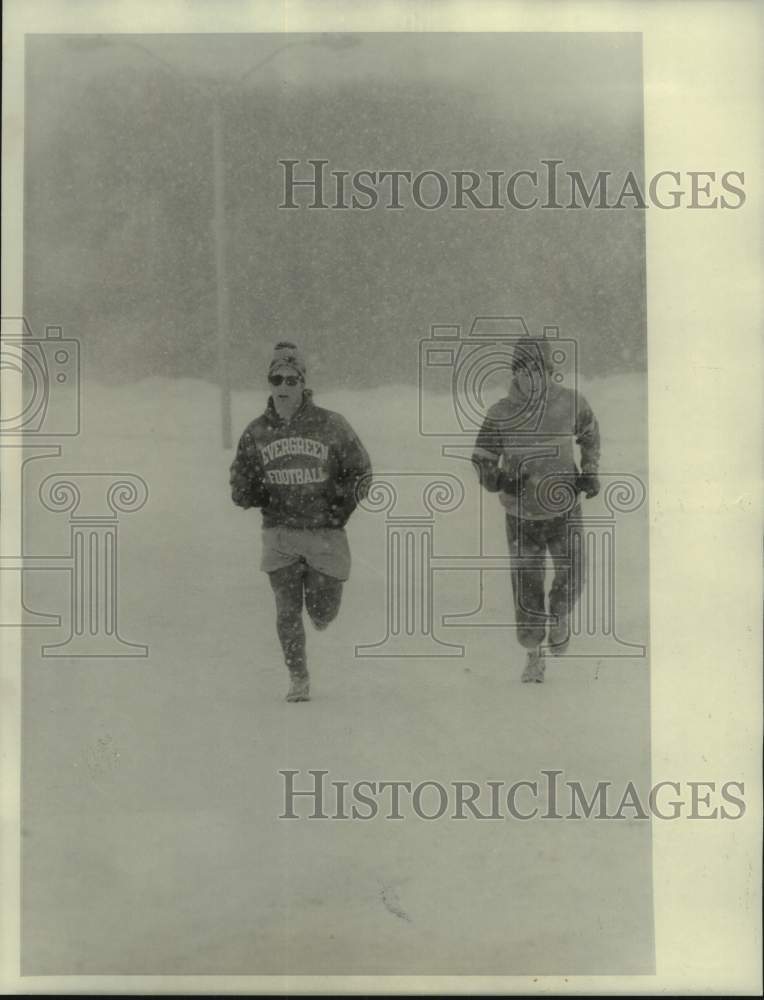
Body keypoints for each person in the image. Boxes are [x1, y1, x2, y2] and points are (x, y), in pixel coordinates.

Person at [229, 341, 372, 702]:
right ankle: (298, 677)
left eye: (291, 380)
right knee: (286, 611)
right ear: (269, 382)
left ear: (303, 383)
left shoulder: (331, 425)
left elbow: (361, 471)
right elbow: (240, 477)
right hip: (280, 533)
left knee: (324, 610)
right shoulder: (256, 431)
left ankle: (322, 611)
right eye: (276, 378)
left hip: (324, 533)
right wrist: (248, 492)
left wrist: (342, 508)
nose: (283, 386)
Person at [471, 337, 601, 683]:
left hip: (565, 510)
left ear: (549, 371)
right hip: (522, 516)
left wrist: (589, 471)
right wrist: (499, 480)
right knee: (527, 587)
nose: (533, 378)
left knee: (574, 573)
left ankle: (559, 617)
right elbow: (481, 458)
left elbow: (589, 432)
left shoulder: (570, 403)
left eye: (539, 370)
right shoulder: (500, 413)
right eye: (525, 370)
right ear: (515, 374)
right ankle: (533, 654)